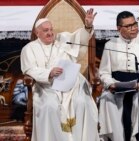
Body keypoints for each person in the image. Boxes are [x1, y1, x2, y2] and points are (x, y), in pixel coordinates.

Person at [20, 8, 99, 141]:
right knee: (50, 106)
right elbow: (30, 70)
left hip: (72, 85)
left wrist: (88, 26)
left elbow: (80, 39)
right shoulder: (29, 49)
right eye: (45, 31)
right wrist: (49, 73)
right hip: (46, 87)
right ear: (37, 32)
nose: (50, 33)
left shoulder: (63, 40)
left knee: (81, 103)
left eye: (51, 29)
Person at [98, 11, 139, 141]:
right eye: (129, 26)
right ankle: (116, 137)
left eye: (135, 24)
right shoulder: (110, 45)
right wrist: (111, 84)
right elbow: (104, 72)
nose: (134, 28)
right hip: (117, 84)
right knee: (106, 98)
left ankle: (136, 137)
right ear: (119, 28)